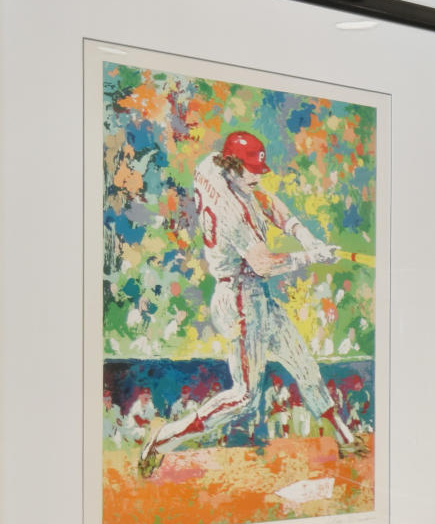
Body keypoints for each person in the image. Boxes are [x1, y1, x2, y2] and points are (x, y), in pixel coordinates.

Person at [135, 129, 366, 476]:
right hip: (239, 296)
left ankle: (346, 438)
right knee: (243, 397)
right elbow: (265, 264)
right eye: (252, 169)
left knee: (303, 363)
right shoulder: (232, 213)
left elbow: (266, 201)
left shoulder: (212, 165)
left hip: (256, 292)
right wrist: (311, 257)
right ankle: (162, 439)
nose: (258, 174)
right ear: (232, 165)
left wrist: (305, 235)